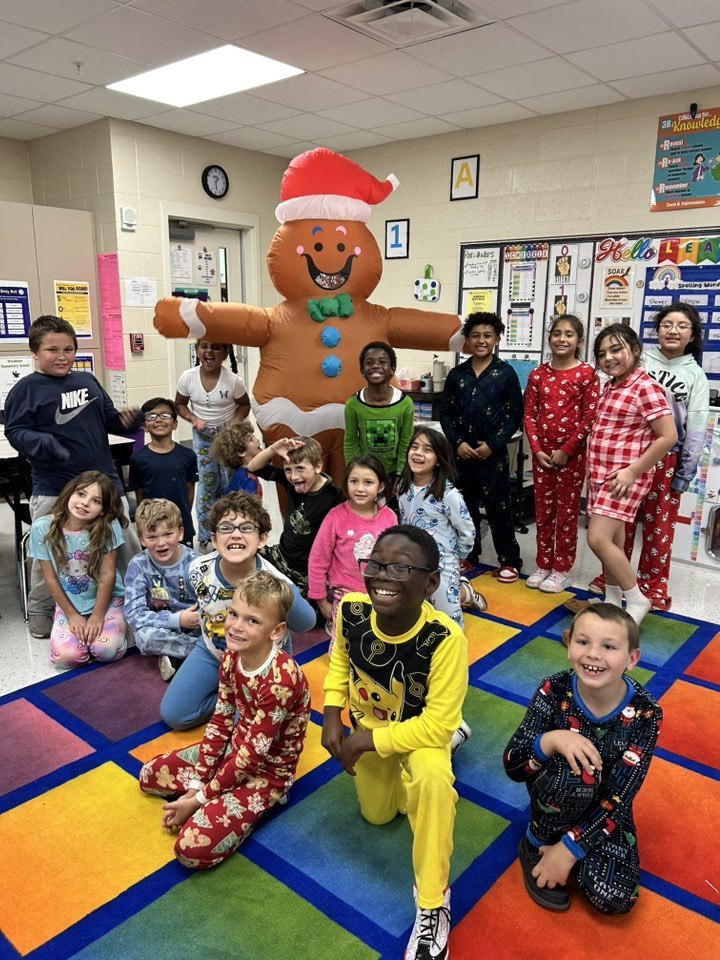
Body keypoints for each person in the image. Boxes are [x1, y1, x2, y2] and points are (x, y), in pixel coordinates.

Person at [322, 525, 468, 960]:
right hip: (374, 731)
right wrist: (332, 713)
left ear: (430, 582)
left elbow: (433, 728)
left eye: (401, 568)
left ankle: (433, 903)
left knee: (431, 778)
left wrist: (364, 740)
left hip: (419, 735)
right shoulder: (350, 609)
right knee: (380, 815)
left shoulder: (444, 639)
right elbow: (340, 661)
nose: (383, 576)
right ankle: (454, 738)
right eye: (377, 565)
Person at [140, 572, 310, 870]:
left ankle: (264, 799)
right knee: (149, 775)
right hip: (234, 751)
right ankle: (216, 792)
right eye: (234, 614)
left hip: (265, 771)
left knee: (190, 850)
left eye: (252, 621)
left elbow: (253, 755)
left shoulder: (281, 679)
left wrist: (199, 799)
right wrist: (196, 785)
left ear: (277, 631)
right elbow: (220, 722)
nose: (236, 626)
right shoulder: (231, 656)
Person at [504, 603, 662, 915]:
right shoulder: (553, 689)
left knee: (615, 898)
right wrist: (551, 741)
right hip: (559, 787)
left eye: (608, 646)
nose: (593, 653)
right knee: (580, 769)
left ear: (632, 660)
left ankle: (566, 842)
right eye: (583, 641)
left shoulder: (646, 714)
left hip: (605, 806)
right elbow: (513, 765)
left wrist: (570, 848)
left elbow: (621, 796)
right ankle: (537, 841)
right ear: (569, 646)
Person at [4, 314, 141, 640]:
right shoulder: (25, 390)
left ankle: (140, 607)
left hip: (104, 482)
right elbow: (15, 432)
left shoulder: (88, 381)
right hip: (55, 487)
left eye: (68, 349)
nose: (63, 356)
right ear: (35, 352)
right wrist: (40, 442)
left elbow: (109, 419)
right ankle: (41, 615)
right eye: (52, 349)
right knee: (47, 555)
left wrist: (129, 421)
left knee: (127, 549)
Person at [586, 303, 710, 610]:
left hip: (655, 461)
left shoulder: (688, 375)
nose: (673, 331)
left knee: (654, 531)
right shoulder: (620, 377)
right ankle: (614, 597)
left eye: (682, 326)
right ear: (656, 330)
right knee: (618, 535)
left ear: (692, 334)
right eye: (667, 324)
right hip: (615, 465)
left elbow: (683, 431)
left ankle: (646, 594)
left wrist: (684, 472)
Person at [160, 491, 315, 731]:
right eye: (226, 528)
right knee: (175, 714)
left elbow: (306, 622)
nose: (235, 533)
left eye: (246, 528)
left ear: (262, 539)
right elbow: (198, 596)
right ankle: (229, 697)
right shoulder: (197, 569)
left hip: (260, 662)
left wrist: (285, 591)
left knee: (245, 730)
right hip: (214, 651)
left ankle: (242, 699)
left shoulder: (275, 583)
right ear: (213, 539)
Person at [585, 324, 676, 625]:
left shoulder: (645, 387)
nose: (609, 358)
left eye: (616, 349)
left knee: (597, 539)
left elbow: (667, 436)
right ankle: (613, 601)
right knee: (613, 540)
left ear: (635, 350)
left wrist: (632, 472)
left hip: (624, 479)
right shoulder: (610, 386)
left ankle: (637, 599)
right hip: (602, 475)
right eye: (602, 353)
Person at [438, 311, 524, 583]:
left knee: (498, 507)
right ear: (467, 341)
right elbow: (446, 414)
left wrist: (493, 444)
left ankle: (510, 560)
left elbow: (514, 415)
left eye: (487, 335)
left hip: (493, 455)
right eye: (475, 335)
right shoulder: (456, 375)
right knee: (465, 507)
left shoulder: (506, 373)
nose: (481, 340)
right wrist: (458, 442)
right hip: (460, 455)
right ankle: (469, 554)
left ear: (497, 339)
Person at [523, 315, 599, 593]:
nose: (562, 339)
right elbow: (529, 415)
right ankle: (543, 564)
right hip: (541, 455)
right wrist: (537, 449)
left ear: (579, 341)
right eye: (556, 333)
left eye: (569, 334)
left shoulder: (587, 375)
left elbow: (590, 417)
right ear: (549, 338)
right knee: (543, 511)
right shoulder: (538, 374)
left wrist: (567, 450)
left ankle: (562, 569)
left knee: (566, 513)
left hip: (572, 457)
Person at [28, 471, 127, 668]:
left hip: (107, 599)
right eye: (81, 494)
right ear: (69, 493)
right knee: (66, 658)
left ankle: (118, 629)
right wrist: (72, 615)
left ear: (103, 509)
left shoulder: (109, 525)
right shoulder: (43, 527)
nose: (85, 503)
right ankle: (83, 635)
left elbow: (108, 574)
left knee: (106, 651)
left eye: (96, 500)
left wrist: (98, 616)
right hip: (70, 602)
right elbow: (50, 579)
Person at [398, 427, 486, 625]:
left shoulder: (449, 495)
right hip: (412, 562)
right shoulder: (402, 486)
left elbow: (467, 531)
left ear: (438, 460)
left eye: (427, 450)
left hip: (442, 565)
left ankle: (463, 592)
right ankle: (462, 588)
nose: (419, 453)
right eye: (415, 447)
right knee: (416, 617)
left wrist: (456, 559)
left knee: (450, 626)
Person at [307, 455, 397, 645]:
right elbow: (318, 559)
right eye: (354, 481)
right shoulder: (336, 516)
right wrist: (321, 600)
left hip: (381, 591)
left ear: (380, 487)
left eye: (368, 482)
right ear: (346, 483)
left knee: (381, 645)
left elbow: (396, 558)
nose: (360, 488)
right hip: (345, 595)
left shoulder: (389, 517)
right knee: (345, 652)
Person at [175, 340, 251, 547]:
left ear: (225, 353)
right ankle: (206, 535)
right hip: (203, 437)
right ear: (197, 350)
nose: (209, 351)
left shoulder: (234, 381)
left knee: (229, 484)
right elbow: (179, 404)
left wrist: (233, 424)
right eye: (204, 346)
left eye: (216, 347)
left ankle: (230, 531)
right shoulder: (187, 378)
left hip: (227, 439)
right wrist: (193, 419)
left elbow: (244, 405)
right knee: (208, 485)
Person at [246, 435, 341, 597]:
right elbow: (253, 467)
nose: (294, 476)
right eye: (288, 470)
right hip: (280, 555)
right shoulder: (289, 481)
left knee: (296, 607)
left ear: (318, 466)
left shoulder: (334, 496)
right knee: (243, 562)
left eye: (300, 468)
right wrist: (273, 449)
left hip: (307, 570)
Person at [124, 499, 200, 682]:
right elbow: (134, 614)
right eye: (152, 537)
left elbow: (211, 602)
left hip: (195, 625)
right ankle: (201, 655)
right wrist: (176, 619)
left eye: (168, 534)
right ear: (142, 539)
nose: (161, 543)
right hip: (161, 626)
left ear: (180, 533)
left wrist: (197, 619)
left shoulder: (197, 562)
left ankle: (176, 658)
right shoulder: (138, 565)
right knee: (143, 637)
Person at [343, 341, 415, 492]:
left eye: (382, 362)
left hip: (393, 474)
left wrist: (400, 474)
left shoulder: (405, 403)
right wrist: (354, 473)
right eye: (369, 363)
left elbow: (405, 441)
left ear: (392, 370)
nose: (376, 366)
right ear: (362, 370)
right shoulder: (353, 404)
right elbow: (351, 441)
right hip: (365, 473)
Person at [128, 398, 198, 547]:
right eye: (152, 416)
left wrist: (181, 516)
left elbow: (189, 492)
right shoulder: (138, 458)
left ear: (175, 424)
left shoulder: (188, 455)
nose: (159, 420)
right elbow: (140, 496)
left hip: (181, 525)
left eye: (165, 415)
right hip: (151, 528)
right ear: (145, 426)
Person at [210, 420, 262, 498]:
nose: (257, 440)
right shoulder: (246, 481)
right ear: (241, 452)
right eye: (251, 439)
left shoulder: (245, 472)